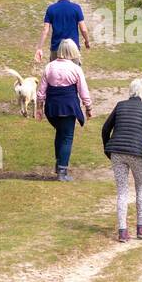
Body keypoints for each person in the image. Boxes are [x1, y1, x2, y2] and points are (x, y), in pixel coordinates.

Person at [101, 78, 142, 242]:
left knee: (122, 192)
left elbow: (105, 129)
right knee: (141, 188)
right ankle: (141, 227)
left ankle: (123, 231)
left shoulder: (120, 105)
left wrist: (107, 148)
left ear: (130, 91)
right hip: (138, 153)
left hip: (117, 152)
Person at [37, 38, 93, 181]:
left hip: (52, 108)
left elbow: (41, 91)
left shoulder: (49, 67)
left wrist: (39, 108)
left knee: (60, 133)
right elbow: (83, 91)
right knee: (67, 137)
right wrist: (88, 107)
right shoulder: (76, 69)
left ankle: (58, 163)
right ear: (73, 51)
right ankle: (62, 171)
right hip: (67, 107)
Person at [35, 0, 91, 64]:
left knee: (55, 74)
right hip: (73, 48)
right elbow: (83, 29)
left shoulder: (51, 9)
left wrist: (39, 48)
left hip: (56, 48)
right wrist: (87, 41)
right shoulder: (76, 8)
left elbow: (45, 30)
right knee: (74, 74)